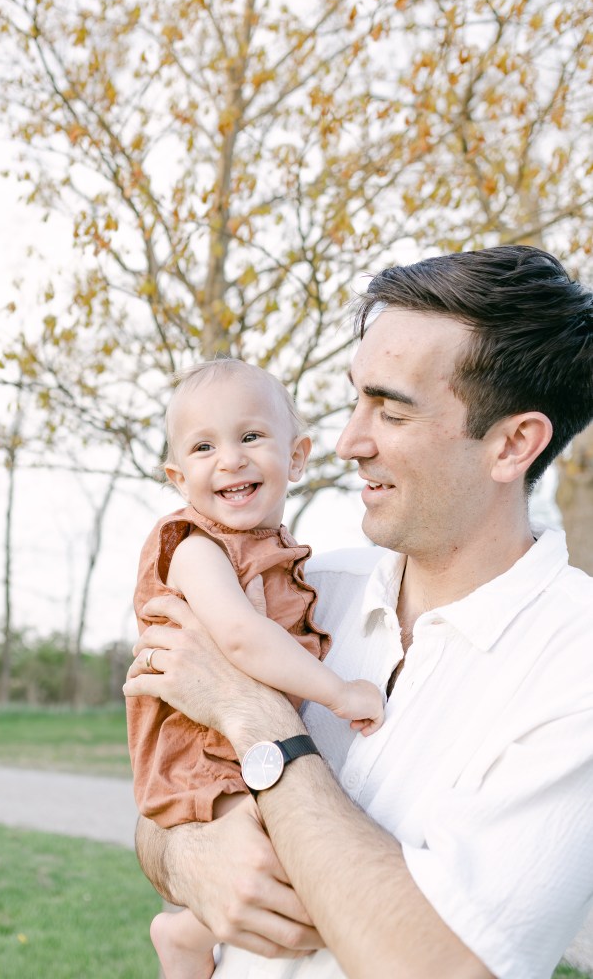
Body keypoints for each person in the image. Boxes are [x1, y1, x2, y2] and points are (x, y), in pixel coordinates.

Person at [124, 245, 593, 979]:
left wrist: (260, 721)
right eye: (353, 399)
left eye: (390, 410)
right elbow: (160, 811)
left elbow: (445, 968)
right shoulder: (304, 586)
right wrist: (187, 857)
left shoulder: (574, 667)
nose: (347, 442)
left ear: (512, 444)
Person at [126, 359, 384, 979]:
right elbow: (241, 638)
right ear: (178, 475)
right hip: (201, 747)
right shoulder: (194, 549)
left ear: (296, 458)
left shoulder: (279, 551)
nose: (231, 460)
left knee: (281, 848)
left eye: (250, 437)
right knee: (261, 855)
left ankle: (189, 932)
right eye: (204, 446)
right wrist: (338, 691)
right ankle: (183, 939)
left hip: (236, 742)